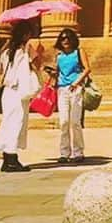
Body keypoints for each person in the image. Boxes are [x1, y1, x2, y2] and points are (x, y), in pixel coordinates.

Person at [0, 18, 45, 173]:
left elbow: (1, 68)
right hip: (19, 91)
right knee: (16, 122)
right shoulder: (26, 49)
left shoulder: (7, 51)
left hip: (8, 91)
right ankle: (11, 160)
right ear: (24, 34)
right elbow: (37, 65)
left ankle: (8, 159)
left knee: (8, 122)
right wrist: (40, 52)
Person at [49, 28, 90, 164]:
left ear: (73, 40)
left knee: (75, 122)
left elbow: (87, 69)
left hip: (76, 88)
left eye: (68, 38)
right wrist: (52, 75)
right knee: (64, 122)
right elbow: (58, 73)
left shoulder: (79, 52)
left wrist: (76, 82)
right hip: (62, 89)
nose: (65, 40)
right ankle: (64, 152)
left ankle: (78, 151)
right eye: (62, 38)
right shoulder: (59, 56)